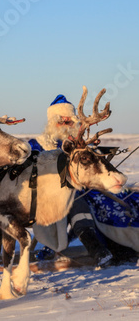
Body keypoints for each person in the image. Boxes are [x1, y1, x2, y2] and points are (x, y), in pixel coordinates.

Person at [29, 94, 115, 268]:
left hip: (77, 191)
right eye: (62, 121)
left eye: (69, 122)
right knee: (75, 203)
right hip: (45, 195)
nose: (66, 126)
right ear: (52, 122)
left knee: (97, 200)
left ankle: (105, 245)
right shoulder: (37, 144)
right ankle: (93, 248)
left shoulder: (79, 144)